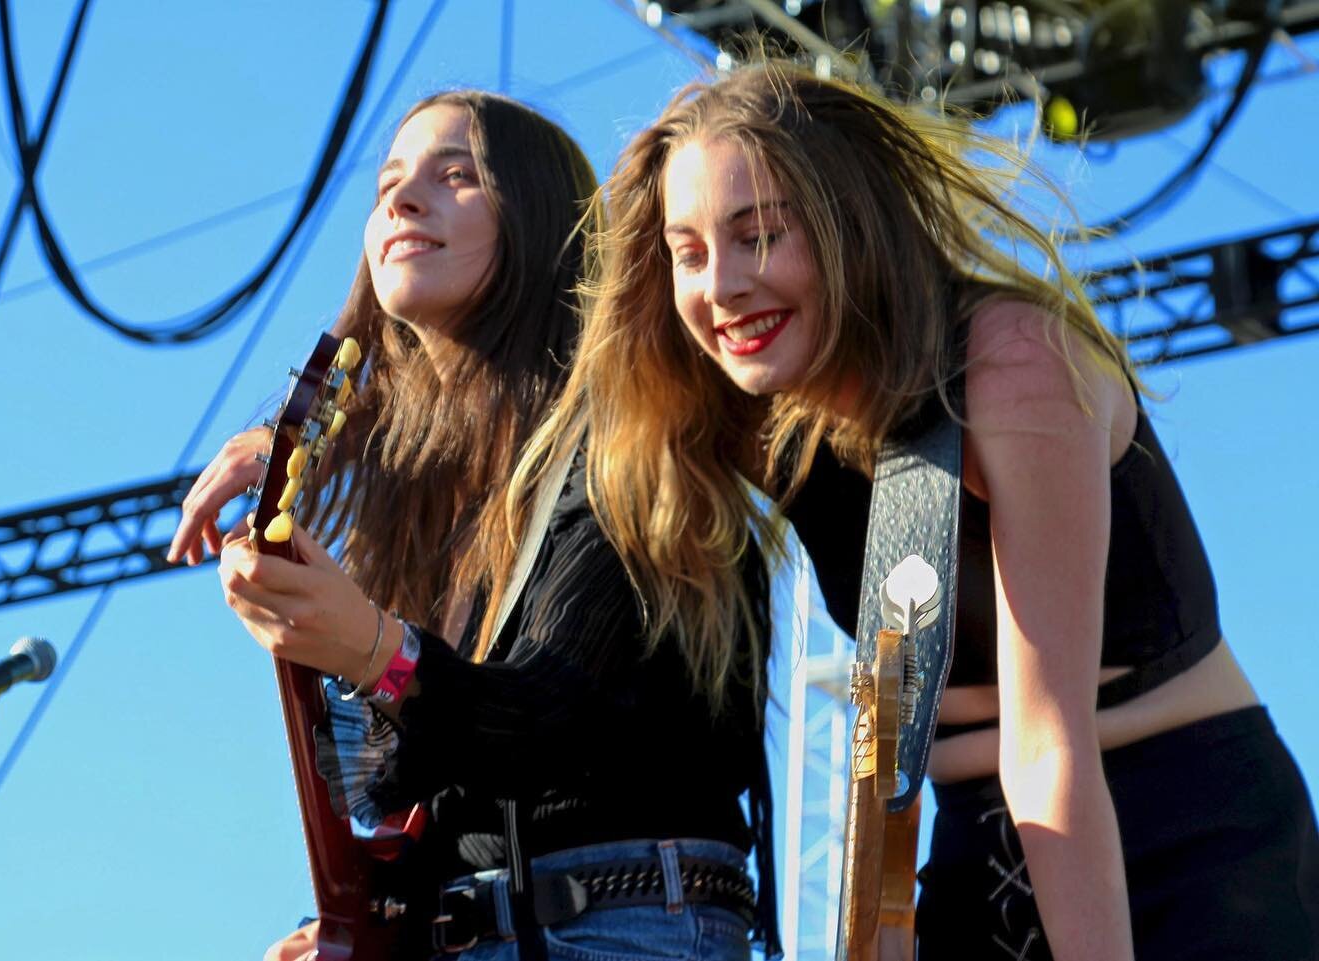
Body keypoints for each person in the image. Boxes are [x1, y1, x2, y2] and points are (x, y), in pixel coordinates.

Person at [532, 61, 1319, 960]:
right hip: (972, 843)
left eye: (760, 235)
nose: (723, 287)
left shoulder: (1012, 362)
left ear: (848, 224)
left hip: (1178, 830)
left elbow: (1046, 747)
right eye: (690, 252)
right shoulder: (766, 418)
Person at [168, 89, 778, 961]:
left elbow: (535, 722)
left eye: (458, 176)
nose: (403, 200)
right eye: (389, 185)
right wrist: (372, 916)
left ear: (541, 222)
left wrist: (374, 647)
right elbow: (404, 782)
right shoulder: (419, 505)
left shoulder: (629, 433)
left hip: (627, 923)